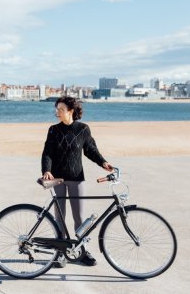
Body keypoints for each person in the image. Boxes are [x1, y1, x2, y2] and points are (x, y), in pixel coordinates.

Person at [41, 96, 113, 267]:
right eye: (56, 109)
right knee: (60, 217)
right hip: (57, 179)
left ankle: (82, 250)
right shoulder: (53, 130)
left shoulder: (83, 129)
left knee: (79, 218)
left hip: (76, 178)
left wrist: (103, 162)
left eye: (61, 109)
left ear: (71, 111)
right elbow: (47, 153)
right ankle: (61, 253)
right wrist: (46, 170)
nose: (57, 112)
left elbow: (90, 149)